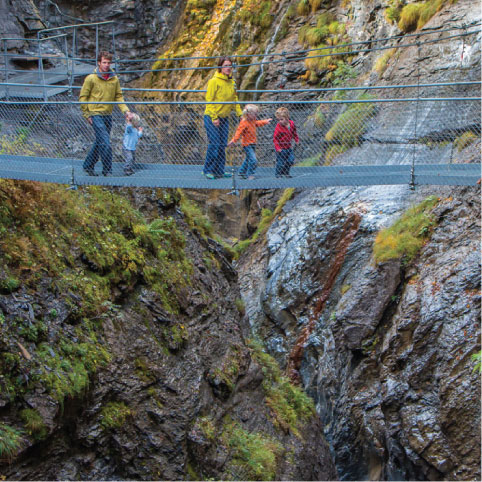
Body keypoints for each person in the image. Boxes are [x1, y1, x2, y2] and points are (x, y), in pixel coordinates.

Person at [80, 51, 130, 176]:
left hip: (108, 114)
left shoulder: (114, 79)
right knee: (106, 143)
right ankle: (107, 170)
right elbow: (83, 97)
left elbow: (118, 96)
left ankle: (88, 165)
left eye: (108, 62)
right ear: (99, 63)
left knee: (100, 141)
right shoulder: (91, 78)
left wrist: (125, 111)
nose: (107, 65)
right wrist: (87, 114)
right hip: (95, 114)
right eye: (104, 62)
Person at [203, 56, 243, 179]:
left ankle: (219, 170)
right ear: (220, 67)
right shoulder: (214, 81)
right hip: (211, 117)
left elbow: (234, 99)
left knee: (222, 145)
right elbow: (209, 100)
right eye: (225, 65)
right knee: (214, 143)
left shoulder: (232, 82)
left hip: (224, 118)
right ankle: (208, 170)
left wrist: (240, 114)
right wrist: (214, 117)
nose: (228, 68)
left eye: (230, 66)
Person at [227, 104, 271, 180]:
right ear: (248, 114)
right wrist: (234, 140)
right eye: (255, 114)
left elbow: (257, 123)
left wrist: (265, 121)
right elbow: (238, 132)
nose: (256, 115)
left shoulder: (252, 120)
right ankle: (250, 174)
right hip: (247, 144)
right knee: (253, 160)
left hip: (253, 143)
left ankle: (241, 172)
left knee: (248, 159)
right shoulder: (244, 122)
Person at [273, 107, 299, 178]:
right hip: (281, 149)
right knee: (280, 162)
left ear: (287, 118)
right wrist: (278, 148)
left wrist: (296, 139)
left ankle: (286, 172)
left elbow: (294, 132)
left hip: (288, 147)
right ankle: (278, 174)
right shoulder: (278, 127)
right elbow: (275, 139)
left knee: (291, 160)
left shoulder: (292, 124)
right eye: (278, 120)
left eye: (281, 119)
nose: (280, 121)